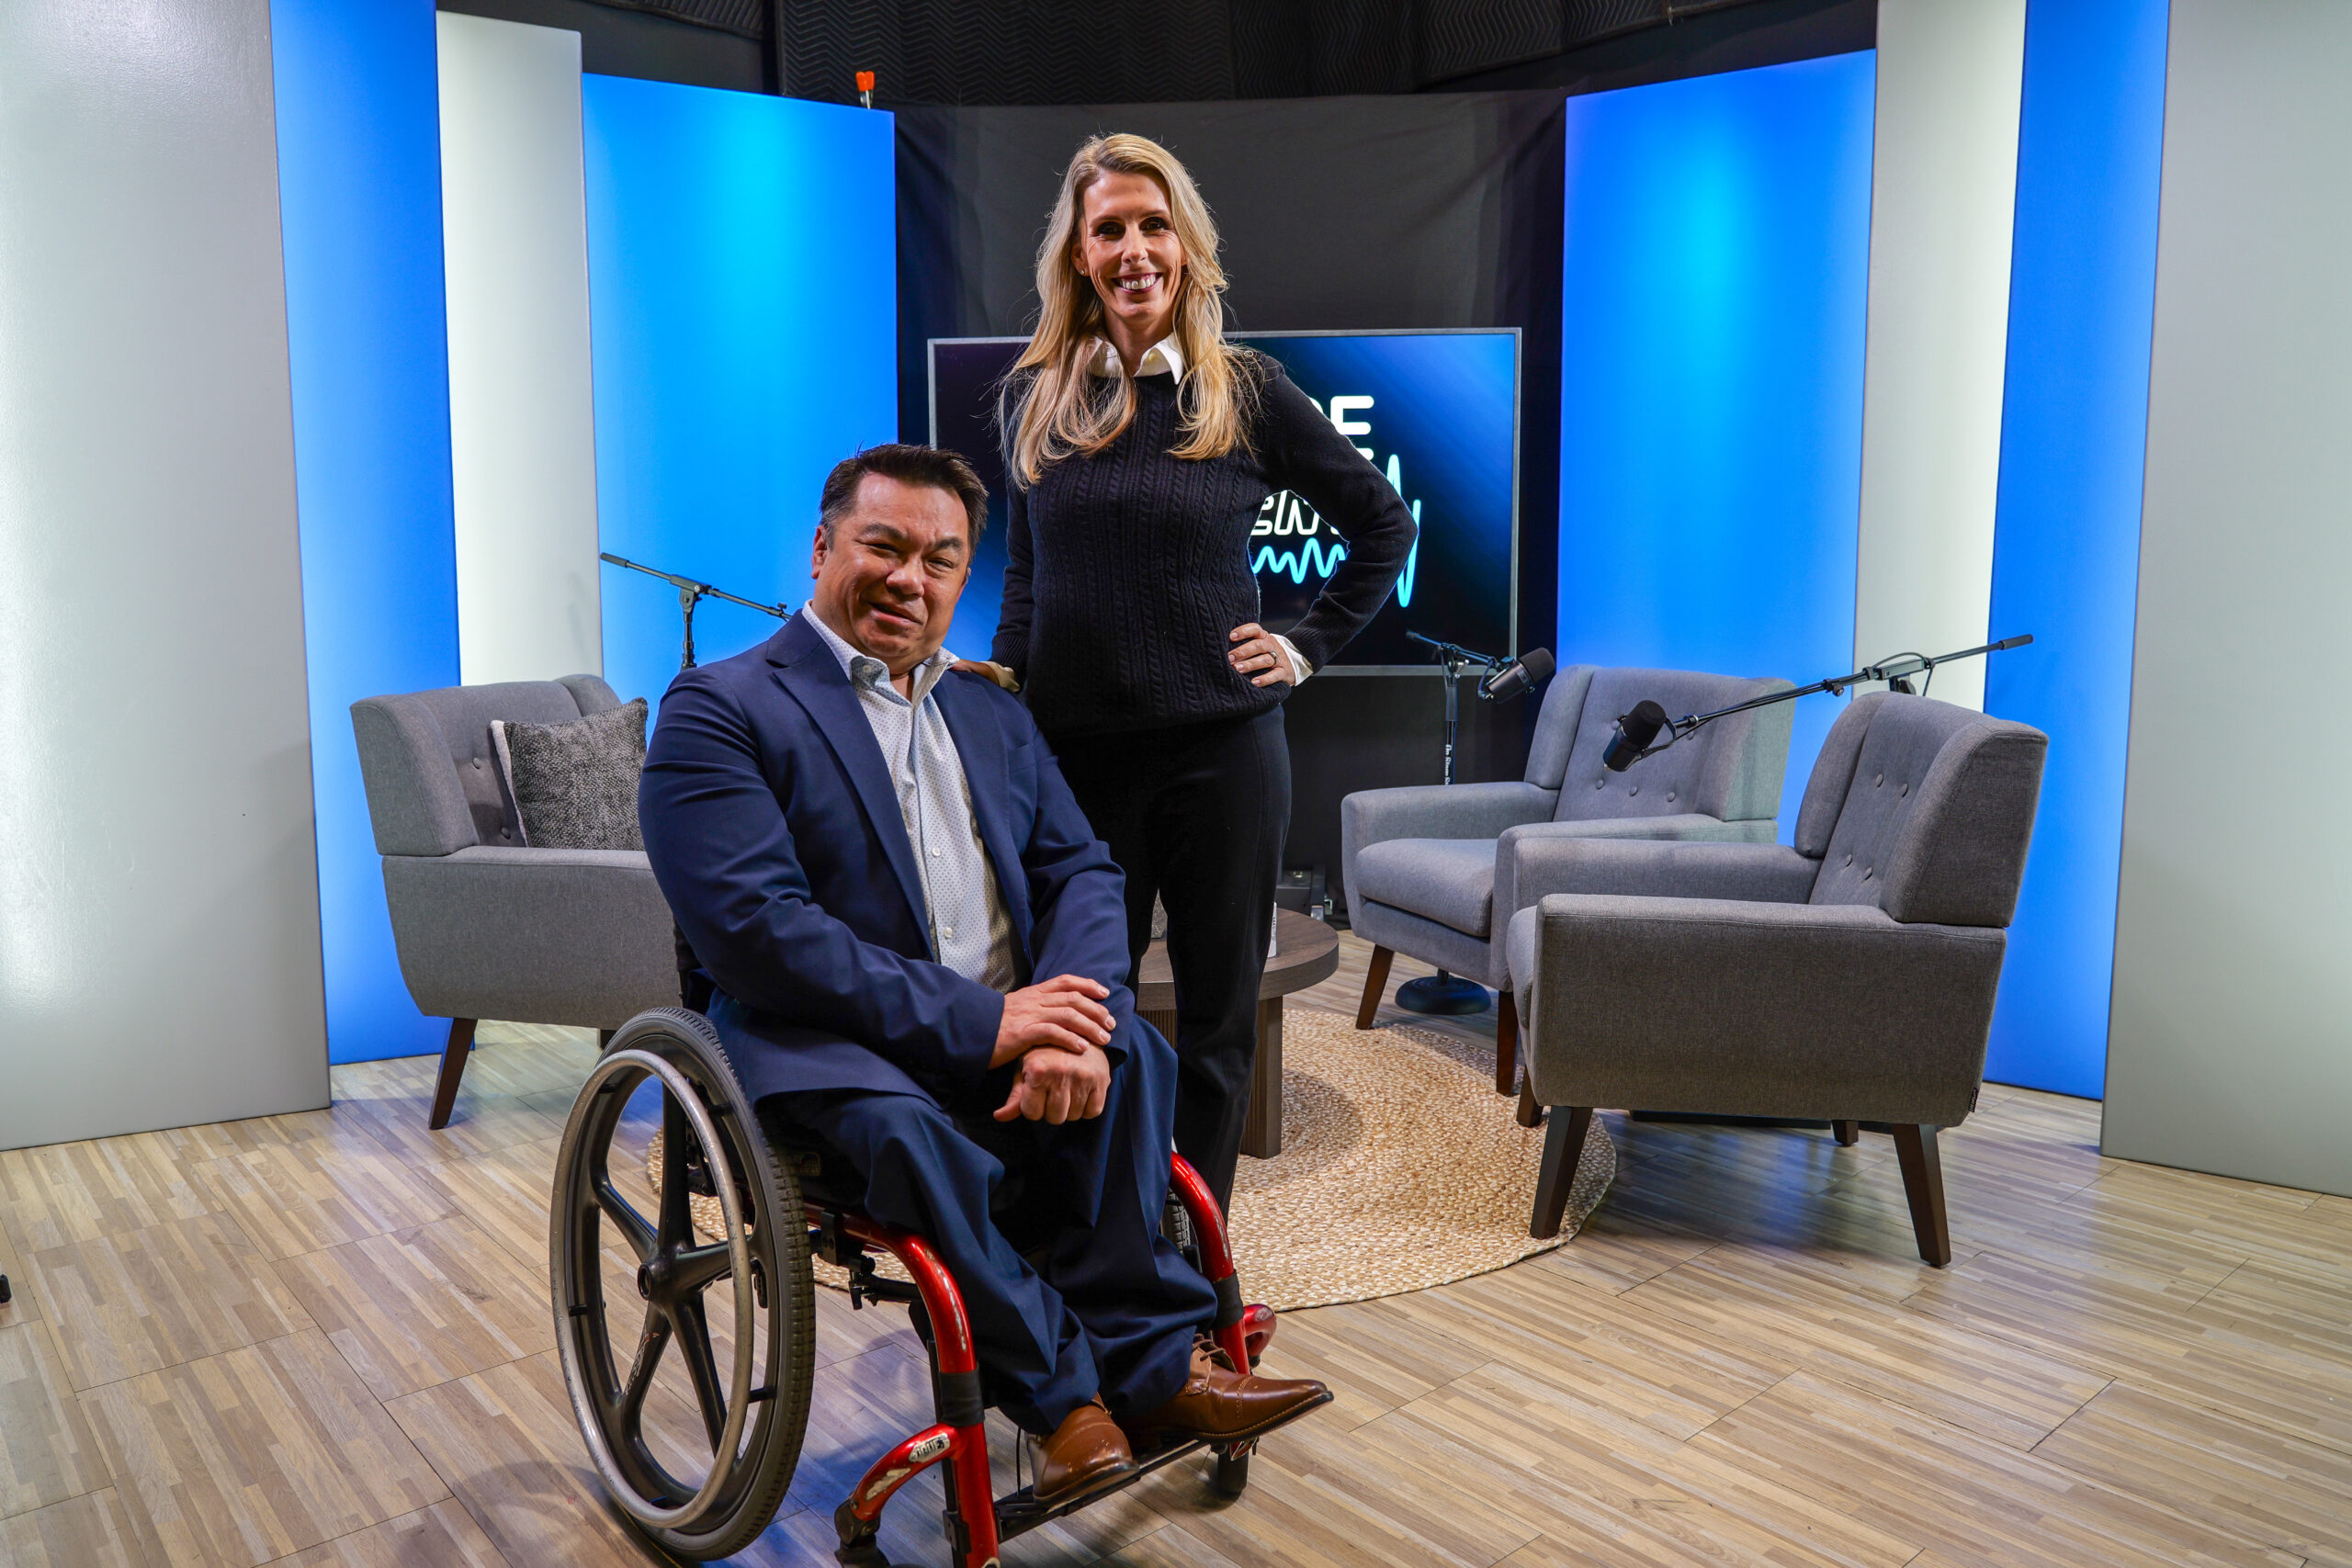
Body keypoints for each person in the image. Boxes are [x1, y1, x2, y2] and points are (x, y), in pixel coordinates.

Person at [639, 444, 1329, 1507]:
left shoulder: (993, 713)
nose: (910, 578)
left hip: (1010, 1016)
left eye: (941, 560)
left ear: (966, 580)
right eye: (884, 546)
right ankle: (1064, 1404)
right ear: (824, 548)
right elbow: (757, 934)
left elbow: (1083, 871)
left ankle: (1154, 1370)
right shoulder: (720, 710)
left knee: (1137, 1056)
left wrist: (1069, 1024)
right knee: (908, 1131)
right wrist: (990, 1023)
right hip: (834, 1040)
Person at [987, 134, 1417, 1209]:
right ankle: (1105, 1235)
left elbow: (1382, 523)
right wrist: (999, 698)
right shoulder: (1036, 397)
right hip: (1076, 766)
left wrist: (1305, 645)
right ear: (1077, 256)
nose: (1133, 249)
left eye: (1152, 224)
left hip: (1223, 755)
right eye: (1108, 230)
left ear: (1183, 243)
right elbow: (1028, 582)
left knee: (1221, 1025)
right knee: (1088, 1015)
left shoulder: (1245, 390)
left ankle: (1196, 1257)